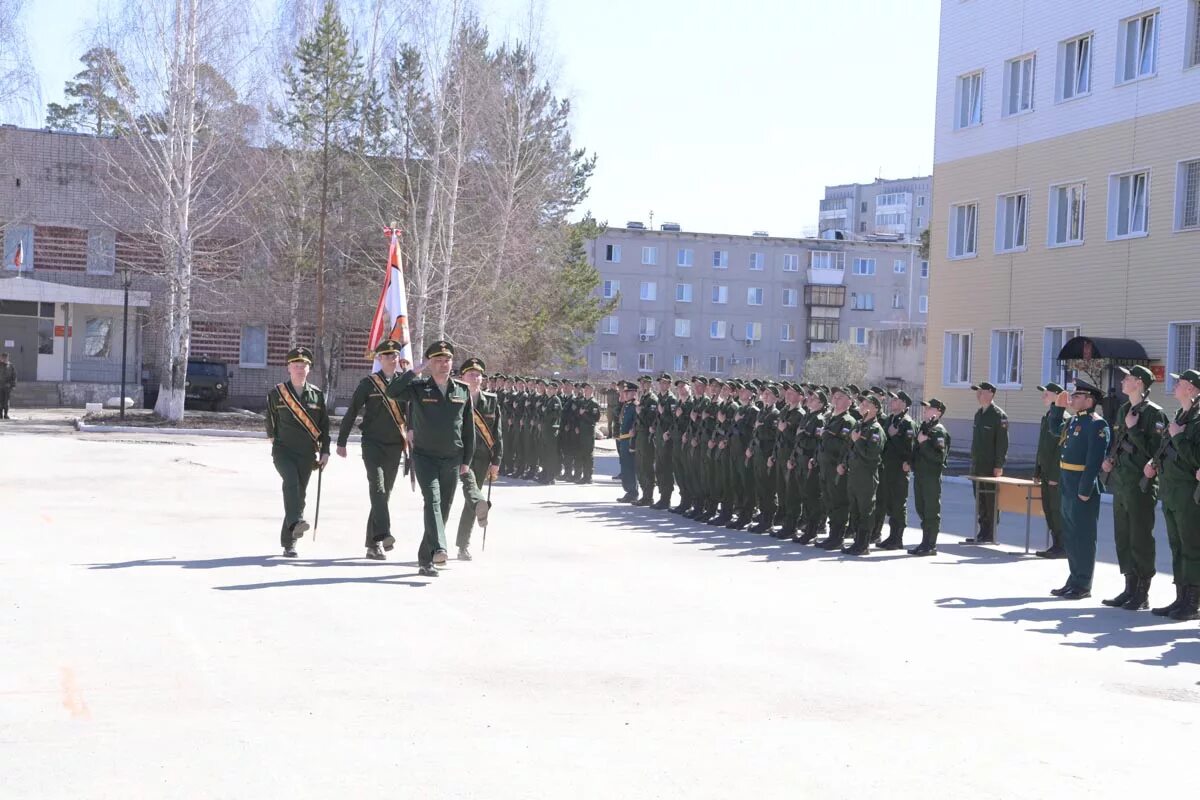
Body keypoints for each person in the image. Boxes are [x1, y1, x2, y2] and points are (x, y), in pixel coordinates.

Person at [385, 340, 475, 578]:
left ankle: (426, 559)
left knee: (443, 509)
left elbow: (468, 429)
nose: (443, 364)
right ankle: (439, 548)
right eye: (437, 361)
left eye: (446, 360)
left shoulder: (462, 390)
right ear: (430, 363)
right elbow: (391, 392)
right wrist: (413, 371)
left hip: (452, 459)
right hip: (425, 457)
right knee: (433, 501)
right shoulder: (418, 387)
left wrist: (467, 459)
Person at [1100, 366, 1167, 610]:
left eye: (1127, 378)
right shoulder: (1123, 410)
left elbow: (1157, 452)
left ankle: (1142, 592)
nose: (1122, 381)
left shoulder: (1154, 414)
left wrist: (1134, 429)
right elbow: (1118, 443)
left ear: (1139, 383)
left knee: (1140, 537)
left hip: (1141, 485)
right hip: (1121, 482)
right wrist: (1109, 460)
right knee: (1123, 537)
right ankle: (1129, 587)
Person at [335, 339, 409, 560]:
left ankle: (371, 544)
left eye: (395, 356)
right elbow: (352, 411)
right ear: (379, 359)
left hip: (395, 445)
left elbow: (412, 415)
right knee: (377, 488)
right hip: (372, 444)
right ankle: (384, 533)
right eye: (387, 356)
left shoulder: (404, 383)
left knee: (384, 494)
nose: (392, 359)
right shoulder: (369, 383)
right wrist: (341, 441)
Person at [1143, 369, 1200, 620]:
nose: (1175, 386)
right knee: (1177, 546)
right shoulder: (1180, 415)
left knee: (1192, 547)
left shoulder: (1197, 421)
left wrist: (1178, 437)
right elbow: (1166, 448)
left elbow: (1195, 459)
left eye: (1180, 383)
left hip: (1188, 492)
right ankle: (1180, 598)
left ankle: (1192, 602)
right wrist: (1154, 463)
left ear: (1192, 389)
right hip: (1171, 490)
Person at [265, 347, 330, 557]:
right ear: (288, 368)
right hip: (283, 452)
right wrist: (275, 441)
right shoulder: (277, 394)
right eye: (296, 366)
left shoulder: (317, 395)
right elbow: (270, 422)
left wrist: (325, 451)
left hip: (306, 454)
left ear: (309, 369)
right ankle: (296, 522)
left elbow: (324, 427)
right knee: (291, 483)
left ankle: (289, 543)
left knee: (299, 496)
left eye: (303, 366)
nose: (300, 369)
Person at [1048, 381, 1110, 600]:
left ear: (1089, 400)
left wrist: (1085, 488)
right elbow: (1054, 429)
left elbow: (1094, 460)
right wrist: (1057, 408)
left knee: (1083, 536)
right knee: (1071, 535)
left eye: (1077, 395)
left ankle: (1083, 584)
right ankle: (1073, 579)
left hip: (1082, 483)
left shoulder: (1097, 424)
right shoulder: (1074, 420)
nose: (1072, 398)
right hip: (1067, 480)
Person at [454, 357, 500, 561]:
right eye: (471, 374)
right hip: (458, 456)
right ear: (462, 377)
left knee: (469, 501)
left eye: (478, 374)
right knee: (469, 494)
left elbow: (497, 433)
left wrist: (496, 461)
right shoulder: (455, 398)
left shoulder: (491, 400)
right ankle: (437, 545)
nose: (475, 377)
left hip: (482, 457)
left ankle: (463, 544)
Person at [841, 393, 885, 556]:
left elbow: (872, 454)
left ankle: (863, 544)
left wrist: (858, 440)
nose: (862, 405)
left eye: (867, 403)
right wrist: (844, 463)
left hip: (866, 475)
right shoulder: (860, 425)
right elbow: (849, 448)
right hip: (854, 473)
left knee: (866, 509)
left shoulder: (875, 430)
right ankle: (857, 542)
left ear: (875, 408)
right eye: (862, 402)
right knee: (855, 509)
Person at [968, 381, 1009, 544]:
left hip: (990, 466)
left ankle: (990, 532)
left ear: (991, 393)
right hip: (977, 465)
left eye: (981, 391)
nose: (978, 394)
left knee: (991, 500)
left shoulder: (999, 416)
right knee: (980, 499)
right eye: (977, 392)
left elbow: (1002, 443)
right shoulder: (979, 414)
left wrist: (999, 465)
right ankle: (982, 531)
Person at [910, 398, 951, 556]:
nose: (925, 410)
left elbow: (939, 457)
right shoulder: (925, 428)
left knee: (931, 511)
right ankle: (924, 542)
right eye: (925, 408)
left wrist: (924, 443)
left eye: (929, 408)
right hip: (920, 474)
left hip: (931, 476)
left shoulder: (939, 431)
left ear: (938, 412)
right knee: (921, 509)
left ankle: (930, 544)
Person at [874, 390, 915, 550]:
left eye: (896, 400)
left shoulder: (907, 423)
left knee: (898, 504)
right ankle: (891, 536)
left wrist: (893, 436)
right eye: (892, 399)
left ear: (904, 404)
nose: (892, 402)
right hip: (886, 468)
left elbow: (909, 449)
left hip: (898, 469)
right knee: (889, 504)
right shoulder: (890, 419)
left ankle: (897, 538)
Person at [1033, 382, 1068, 559]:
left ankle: (1063, 546)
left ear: (1057, 396)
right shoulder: (1048, 416)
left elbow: (1061, 451)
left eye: (1046, 394)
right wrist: (1037, 470)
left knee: (1056, 509)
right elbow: (1043, 447)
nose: (1043, 397)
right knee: (1048, 508)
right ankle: (1056, 544)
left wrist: (1055, 475)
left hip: (1055, 474)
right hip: (1046, 472)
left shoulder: (1063, 418)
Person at [615, 381, 639, 503]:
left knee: (630, 467)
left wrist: (633, 439)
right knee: (625, 467)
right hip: (623, 439)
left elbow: (636, 422)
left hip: (629, 440)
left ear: (633, 393)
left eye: (627, 392)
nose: (625, 394)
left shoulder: (635, 406)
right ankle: (629, 491)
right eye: (625, 392)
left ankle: (633, 492)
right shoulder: (626, 405)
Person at [0, 351, 15, 419]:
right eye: (3, 357)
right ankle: (0, 414)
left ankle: (6, 414)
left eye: (6, 357)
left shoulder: (10, 366)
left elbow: (14, 376)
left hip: (7, 386)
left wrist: (12, 385)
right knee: (0, 400)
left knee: (6, 401)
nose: (4, 359)